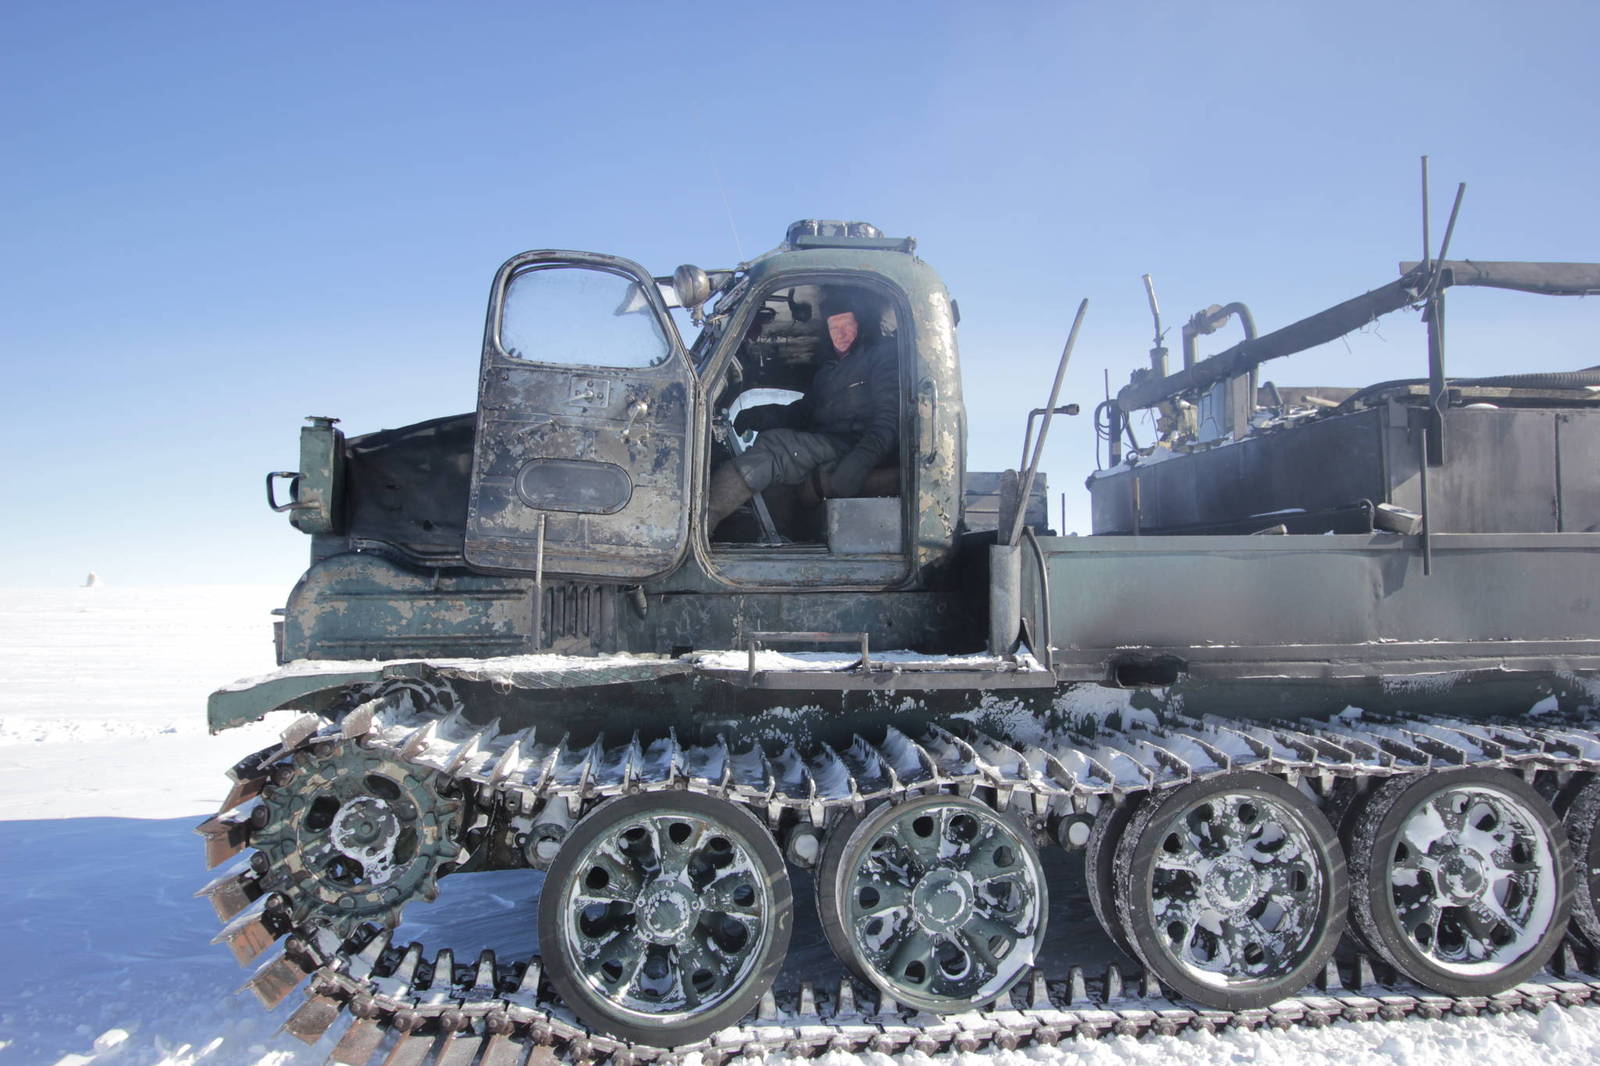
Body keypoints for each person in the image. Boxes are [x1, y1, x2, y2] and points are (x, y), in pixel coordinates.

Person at [707, 291, 899, 538]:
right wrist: (760, 416)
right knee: (772, 447)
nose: (840, 333)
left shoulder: (879, 358)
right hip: (830, 441)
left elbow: (889, 420)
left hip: (854, 444)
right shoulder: (827, 371)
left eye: (847, 325)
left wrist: (859, 463)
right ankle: (777, 540)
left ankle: (702, 526)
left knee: (774, 447)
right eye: (834, 326)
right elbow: (804, 412)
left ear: (860, 325)